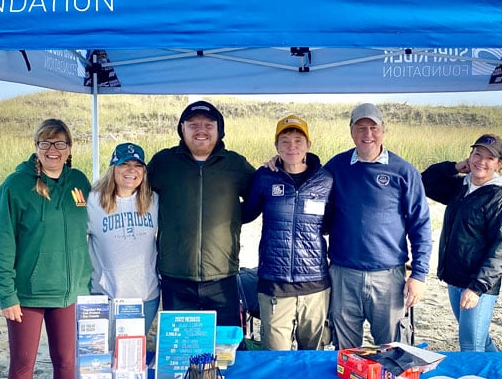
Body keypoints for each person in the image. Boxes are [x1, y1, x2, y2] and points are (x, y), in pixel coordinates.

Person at [0, 118, 91, 379]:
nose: (52, 151)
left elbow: (89, 233)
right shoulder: (16, 187)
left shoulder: (79, 184)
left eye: (60, 144)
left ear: (70, 149)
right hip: (27, 295)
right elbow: (0, 242)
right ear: (35, 147)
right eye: (45, 144)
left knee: (67, 362)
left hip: (70, 293)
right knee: (23, 364)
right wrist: (6, 292)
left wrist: (84, 284)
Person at [324, 103, 432, 348]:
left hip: (389, 278)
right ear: (351, 131)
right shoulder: (336, 167)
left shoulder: (404, 171)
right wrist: (277, 162)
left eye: (373, 127)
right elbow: (308, 182)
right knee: (347, 354)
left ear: (384, 130)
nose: (367, 134)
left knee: (394, 354)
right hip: (343, 276)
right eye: (361, 127)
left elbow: (421, 225)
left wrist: (419, 275)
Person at [146, 100, 255, 328]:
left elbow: (259, 195)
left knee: (224, 349)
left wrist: (235, 217)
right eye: (193, 124)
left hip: (222, 275)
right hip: (176, 276)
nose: (201, 130)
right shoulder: (163, 163)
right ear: (182, 129)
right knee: (182, 349)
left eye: (208, 124)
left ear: (219, 130)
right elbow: (136, 193)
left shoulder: (234, 164)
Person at [243, 115, 333, 350]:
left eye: (297, 140)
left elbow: (331, 225)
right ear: (276, 147)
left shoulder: (326, 180)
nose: (291, 146)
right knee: (275, 358)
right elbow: (245, 213)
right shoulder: (264, 177)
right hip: (274, 284)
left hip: (315, 284)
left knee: (311, 357)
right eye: (285, 141)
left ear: (308, 145)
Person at [422, 133, 502, 352]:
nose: (481, 161)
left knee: (470, 347)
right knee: (480, 341)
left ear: (499, 165)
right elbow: (426, 180)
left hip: (478, 286)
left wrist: (476, 288)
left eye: (489, 158)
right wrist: (456, 167)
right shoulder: (461, 187)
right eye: (477, 154)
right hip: (455, 279)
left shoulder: (499, 198)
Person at [87, 142, 160, 322]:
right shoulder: (93, 201)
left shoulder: (153, 201)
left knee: (135, 349)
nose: (131, 170)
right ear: (113, 168)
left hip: (146, 296)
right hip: (106, 295)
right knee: (106, 350)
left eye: (137, 165)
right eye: (124, 164)